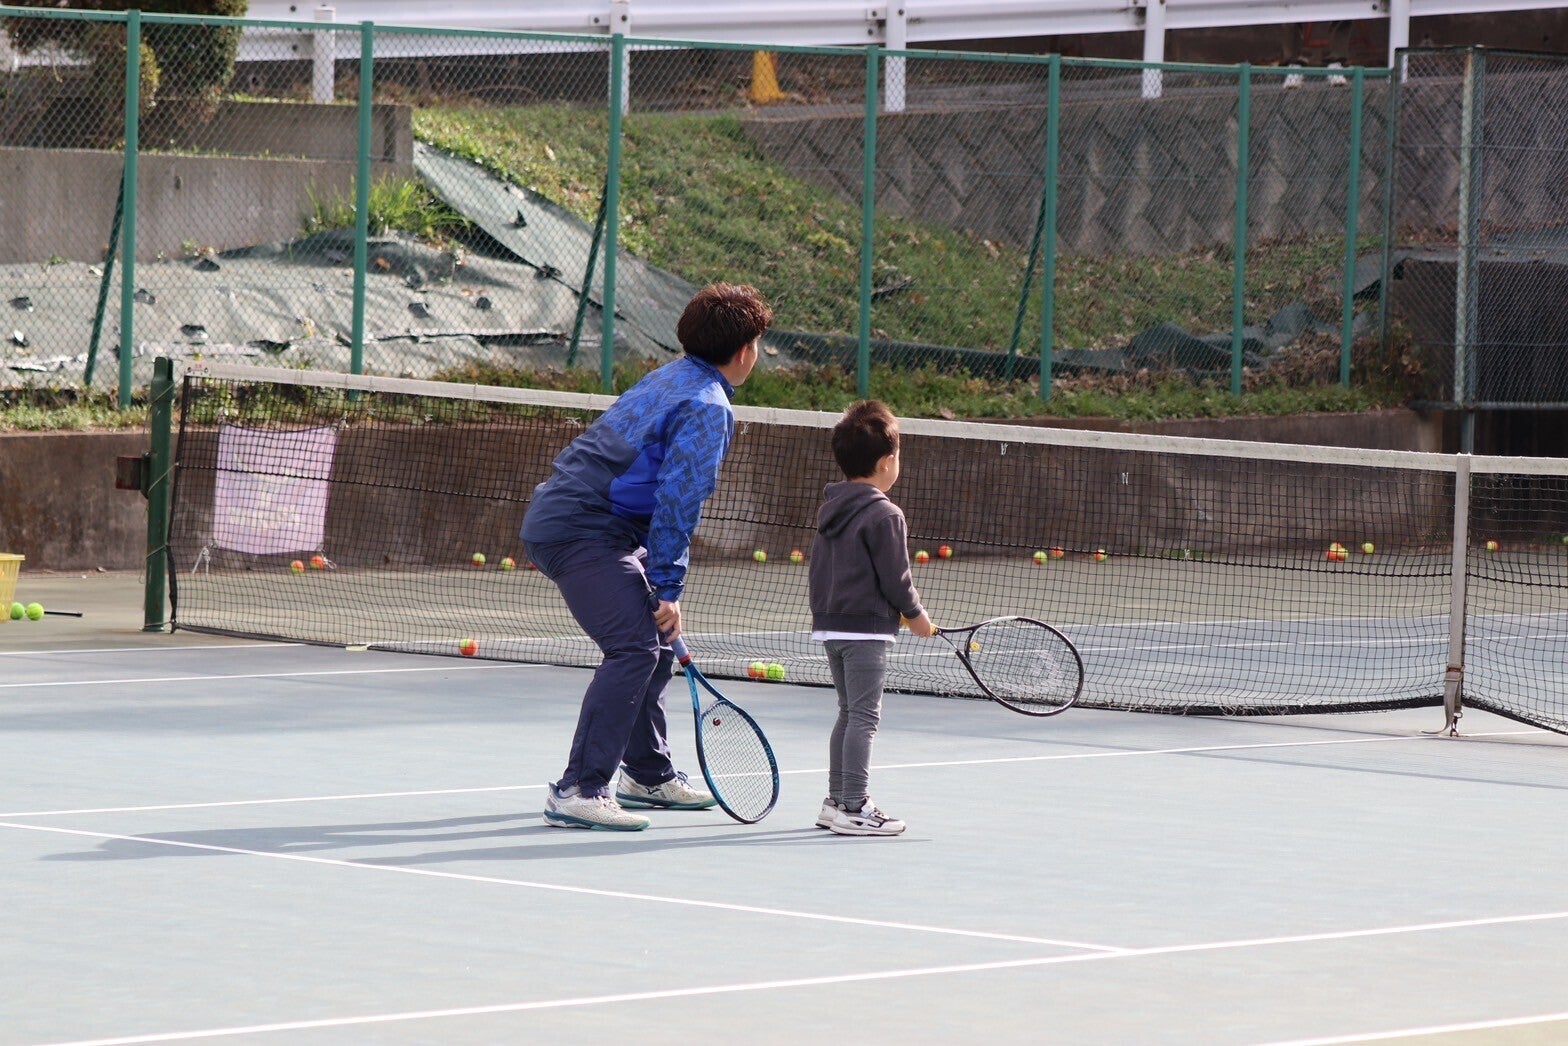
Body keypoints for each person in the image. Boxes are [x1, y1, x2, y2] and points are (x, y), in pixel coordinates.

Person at [521, 283, 773, 831]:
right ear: (743, 351)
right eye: (757, 343)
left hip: (586, 520)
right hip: (582, 528)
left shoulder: (671, 377)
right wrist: (667, 587)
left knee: (653, 648)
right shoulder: (707, 407)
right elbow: (678, 502)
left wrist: (659, 584)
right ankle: (579, 789)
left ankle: (647, 775)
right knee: (634, 649)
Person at [808, 400, 935, 837]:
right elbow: (896, 578)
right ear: (886, 462)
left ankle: (836, 803)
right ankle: (855, 805)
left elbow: (824, 571)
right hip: (865, 631)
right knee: (864, 717)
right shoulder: (886, 514)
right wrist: (915, 615)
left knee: (848, 713)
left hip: (832, 627)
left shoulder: (830, 510)